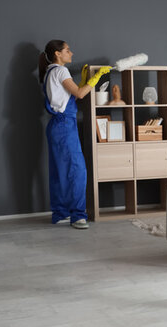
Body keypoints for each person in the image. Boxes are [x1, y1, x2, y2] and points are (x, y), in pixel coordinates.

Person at [38, 40, 111, 229]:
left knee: (59, 172)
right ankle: (78, 216)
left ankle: (60, 213)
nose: (72, 53)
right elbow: (79, 94)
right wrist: (94, 80)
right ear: (57, 54)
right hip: (64, 126)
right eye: (67, 50)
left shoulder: (49, 72)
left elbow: (65, 95)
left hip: (55, 126)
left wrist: (84, 82)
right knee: (77, 171)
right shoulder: (61, 71)